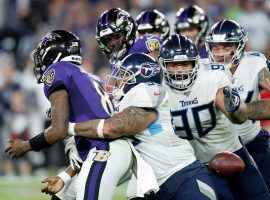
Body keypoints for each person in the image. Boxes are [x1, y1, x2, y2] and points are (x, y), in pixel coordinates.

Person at [60, 52, 232, 200]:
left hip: (183, 176)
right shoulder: (122, 103)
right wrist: (65, 175)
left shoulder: (147, 91)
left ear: (141, 76)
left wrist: (68, 128)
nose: (118, 80)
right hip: (152, 186)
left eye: (124, 75)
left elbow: (112, 128)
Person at [5, 30, 133, 200]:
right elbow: (88, 137)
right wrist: (65, 176)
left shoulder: (58, 69)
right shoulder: (89, 77)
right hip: (105, 151)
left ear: (54, 52)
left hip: (105, 151)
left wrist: (26, 146)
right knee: (60, 196)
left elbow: (59, 130)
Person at [159, 34, 270, 199]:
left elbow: (237, 118)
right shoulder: (158, 92)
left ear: (195, 62)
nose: (180, 70)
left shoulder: (212, 78)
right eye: (173, 65)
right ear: (162, 65)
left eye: (185, 64)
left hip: (233, 151)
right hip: (198, 165)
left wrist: (235, 108)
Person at [205, 19, 270, 191]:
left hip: (252, 140)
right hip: (218, 147)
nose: (221, 53)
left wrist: (241, 111)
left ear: (240, 45)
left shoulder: (255, 63)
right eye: (216, 47)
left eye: (227, 46)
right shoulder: (202, 70)